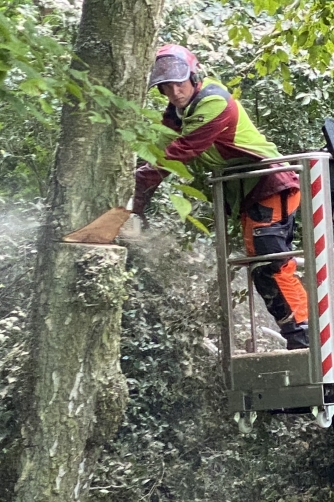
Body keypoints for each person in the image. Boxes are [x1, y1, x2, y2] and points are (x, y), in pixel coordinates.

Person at [132, 43, 310, 350]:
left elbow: (180, 152)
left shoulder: (215, 101)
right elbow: (156, 150)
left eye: (179, 83)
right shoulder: (176, 113)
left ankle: (305, 336)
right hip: (249, 192)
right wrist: (132, 191)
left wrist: (137, 195)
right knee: (262, 268)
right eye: (166, 87)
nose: (175, 92)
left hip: (269, 182)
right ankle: (297, 337)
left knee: (271, 260)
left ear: (193, 76)